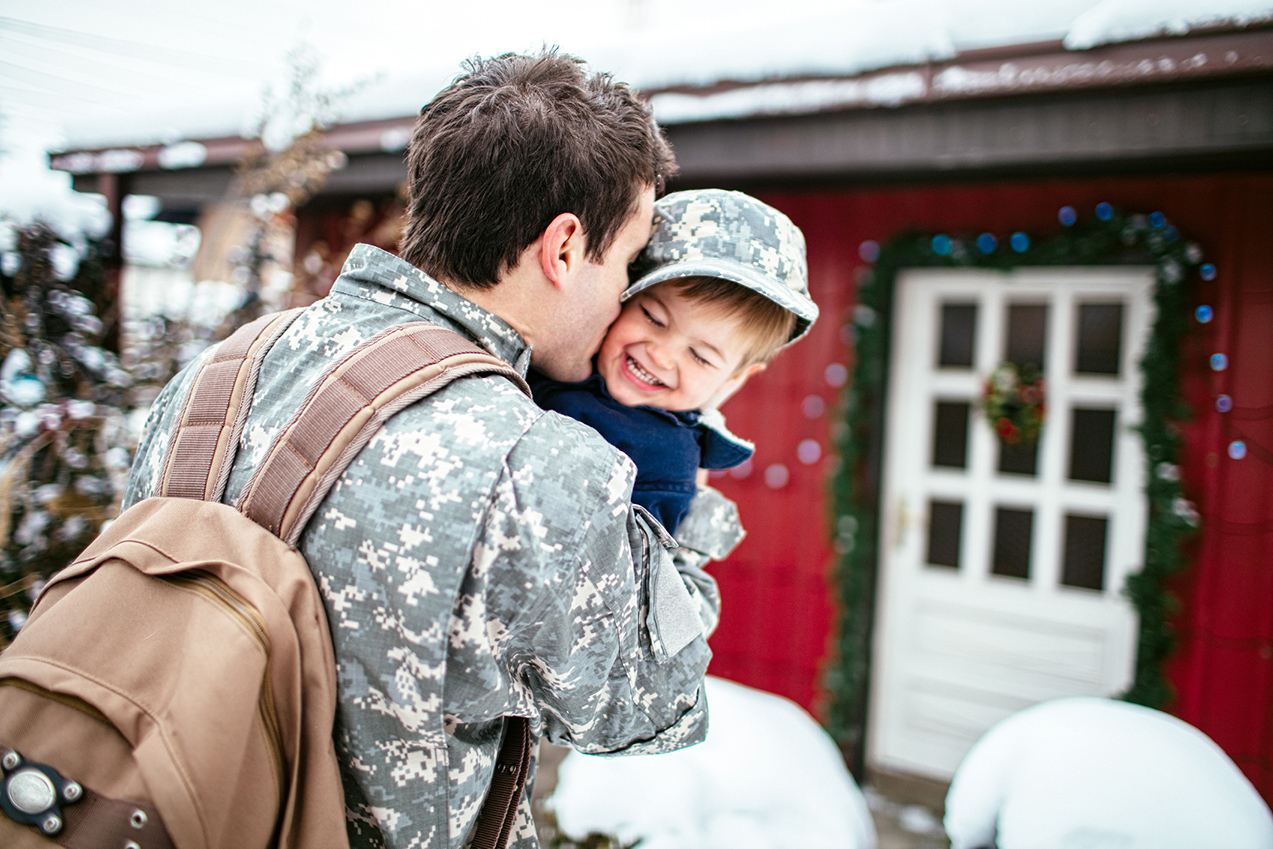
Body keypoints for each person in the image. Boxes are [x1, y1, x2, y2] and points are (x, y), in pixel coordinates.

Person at [123, 51, 743, 849]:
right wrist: (681, 498)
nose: (623, 295)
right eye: (624, 263)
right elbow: (652, 705)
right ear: (562, 249)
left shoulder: (218, 372)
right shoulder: (539, 466)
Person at [530, 189, 818, 534]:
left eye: (700, 356)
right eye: (653, 317)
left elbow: (629, 572)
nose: (660, 355)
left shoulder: (665, 461)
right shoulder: (558, 354)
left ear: (733, 380)